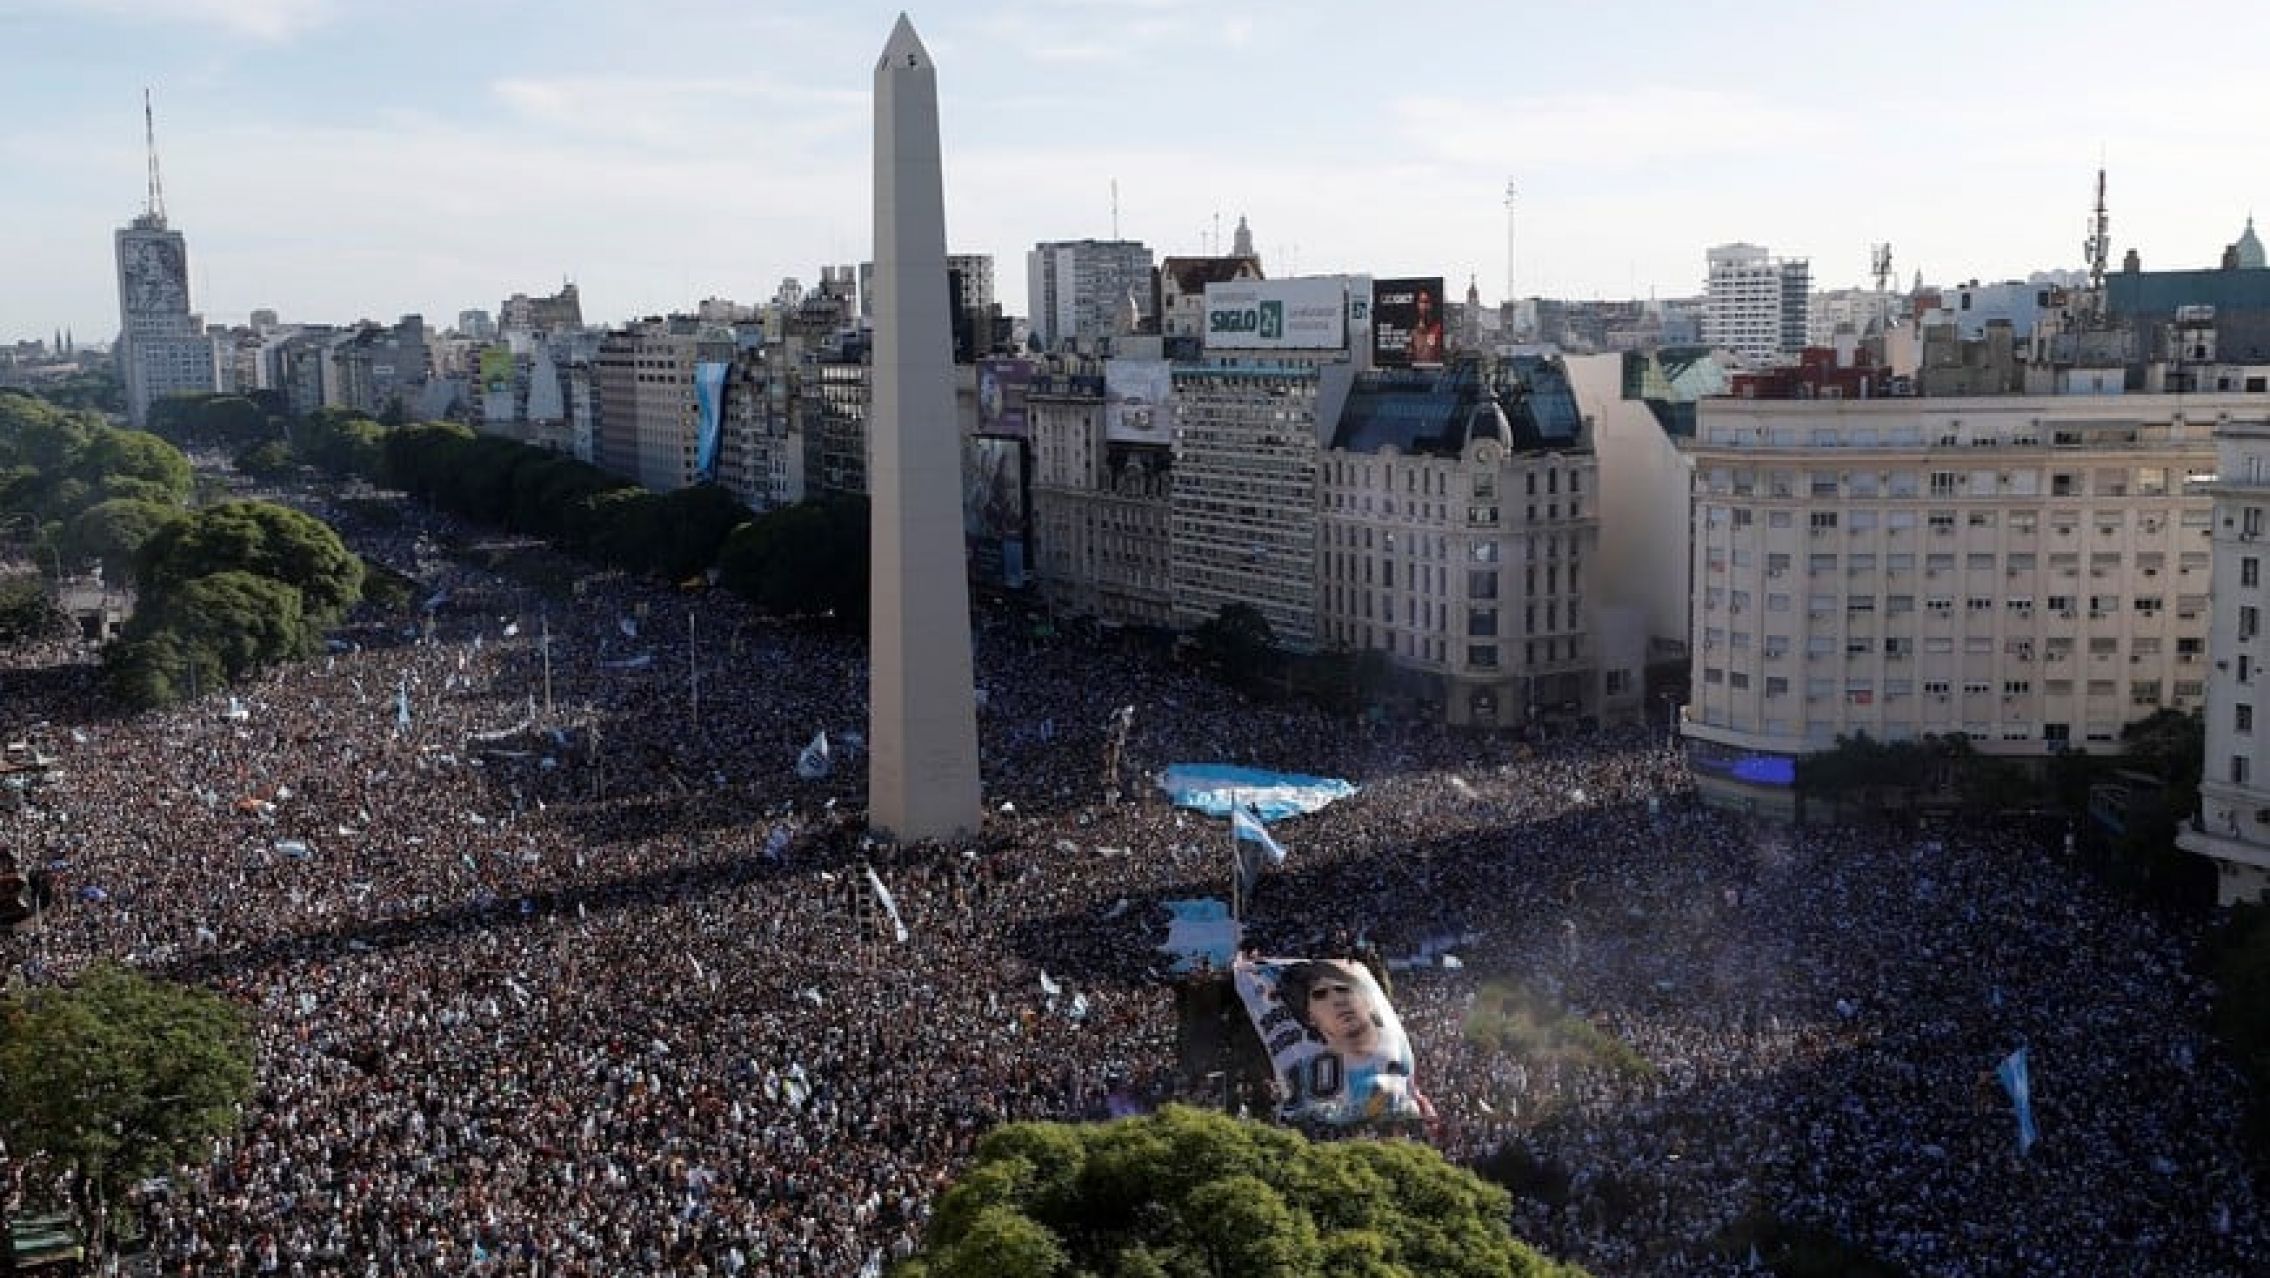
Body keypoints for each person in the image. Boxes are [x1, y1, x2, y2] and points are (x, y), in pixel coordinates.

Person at [1408, 288, 1445, 365]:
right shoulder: (1413, 332)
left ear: (1431, 305)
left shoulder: (1439, 329)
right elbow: (1409, 358)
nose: (1424, 306)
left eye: (1427, 302)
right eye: (1422, 302)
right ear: (1417, 304)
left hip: (1435, 371)